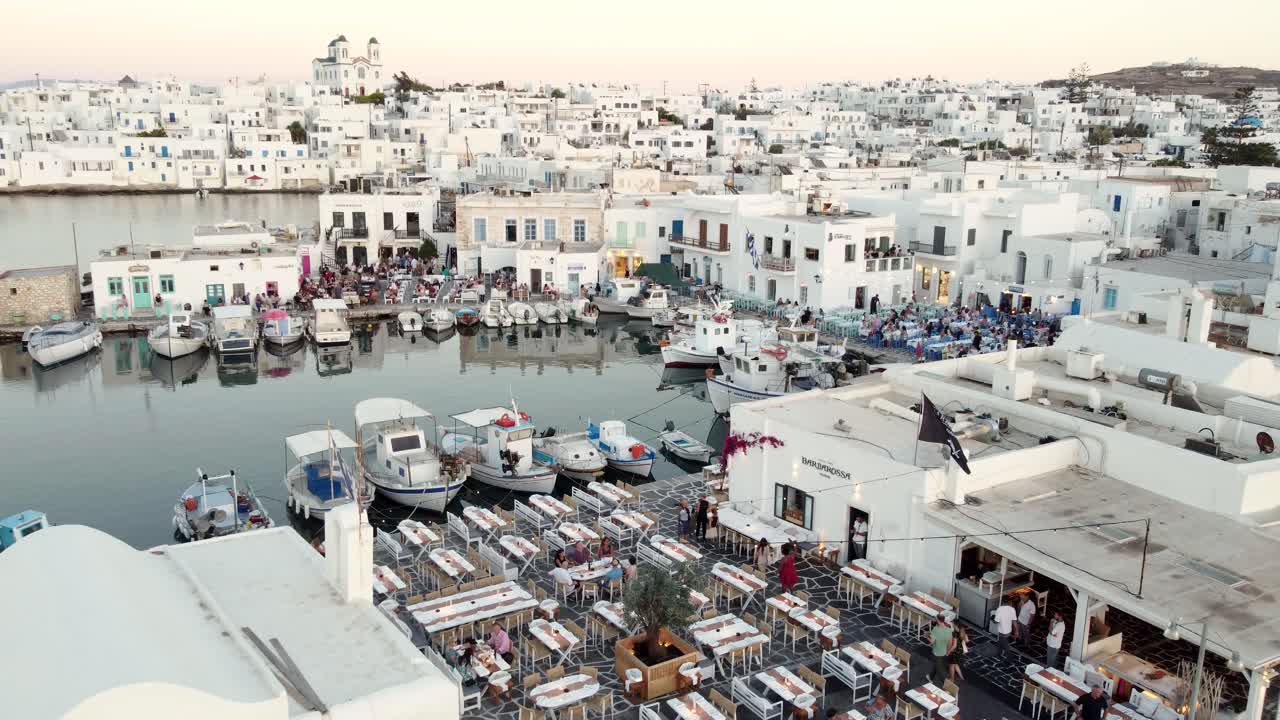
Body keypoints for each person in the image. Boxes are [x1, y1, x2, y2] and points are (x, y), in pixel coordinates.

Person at [929, 615, 955, 683]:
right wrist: (948, 651)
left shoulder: (935, 629)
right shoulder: (949, 630)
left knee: (940, 671)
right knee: (938, 665)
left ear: (937, 620)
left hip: (936, 652)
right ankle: (930, 677)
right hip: (944, 652)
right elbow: (950, 642)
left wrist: (927, 637)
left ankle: (947, 685)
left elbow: (932, 642)